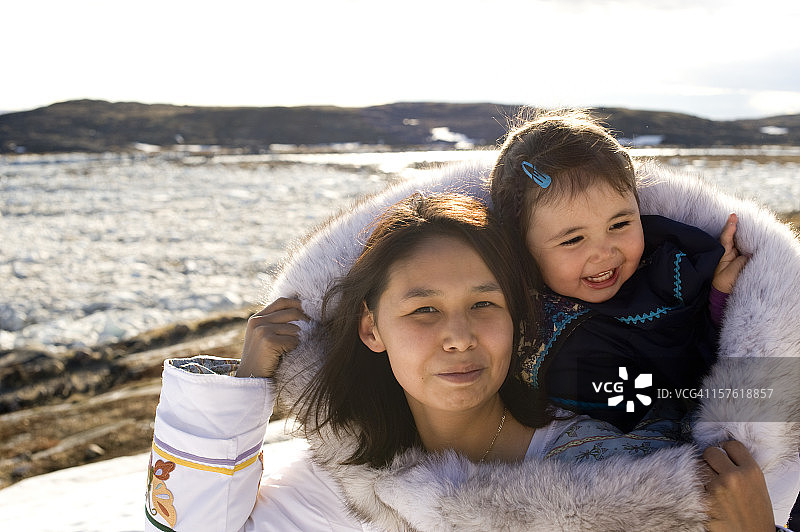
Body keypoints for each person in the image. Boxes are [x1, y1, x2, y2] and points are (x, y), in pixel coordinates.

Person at [145, 192, 785, 531]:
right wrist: (246, 383)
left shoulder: (613, 468)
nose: (458, 336)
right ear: (372, 327)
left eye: (484, 303)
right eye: (423, 310)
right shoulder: (340, 483)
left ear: (518, 320)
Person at [489, 108, 749, 431]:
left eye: (620, 223)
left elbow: (697, 378)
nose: (604, 252)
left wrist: (719, 294)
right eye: (573, 240)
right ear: (521, 249)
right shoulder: (516, 325)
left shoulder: (670, 269)